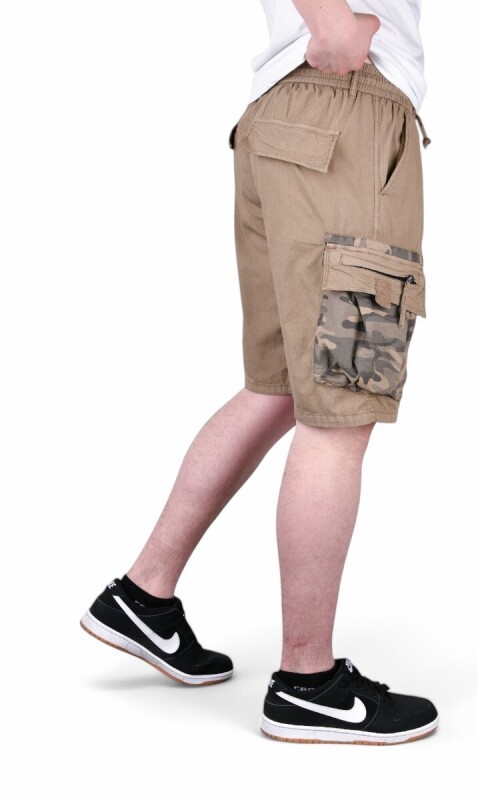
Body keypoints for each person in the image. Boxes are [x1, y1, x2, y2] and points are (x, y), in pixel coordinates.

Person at [81, 0, 438, 746]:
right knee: (342, 403)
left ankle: (144, 595)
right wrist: (335, 26)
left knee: (279, 388)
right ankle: (309, 682)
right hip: (347, 113)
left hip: (282, 116)